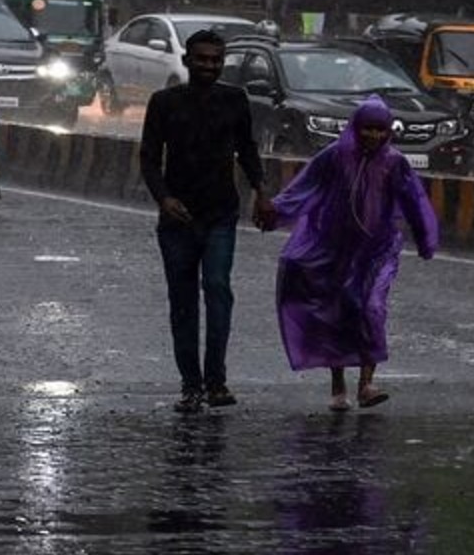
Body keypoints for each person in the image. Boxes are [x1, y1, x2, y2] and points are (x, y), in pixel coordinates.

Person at [268, 95, 438, 411]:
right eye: (366, 129)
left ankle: (367, 383)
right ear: (355, 128)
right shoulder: (334, 157)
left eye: (379, 129)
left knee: (370, 307)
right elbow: (303, 188)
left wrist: (427, 239)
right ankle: (338, 383)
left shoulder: (394, 163)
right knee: (339, 309)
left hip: (378, 250)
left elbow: (415, 201)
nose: (373, 136)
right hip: (335, 248)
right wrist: (274, 213)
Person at [140, 29, 275, 413]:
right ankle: (191, 385)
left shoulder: (235, 100)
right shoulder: (163, 102)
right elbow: (149, 158)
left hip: (220, 214)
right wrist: (164, 198)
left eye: (216, 60)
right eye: (201, 59)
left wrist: (262, 192)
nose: (208, 66)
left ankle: (216, 381)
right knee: (182, 302)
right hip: (178, 219)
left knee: (217, 289)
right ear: (187, 61)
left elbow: (247, 150)